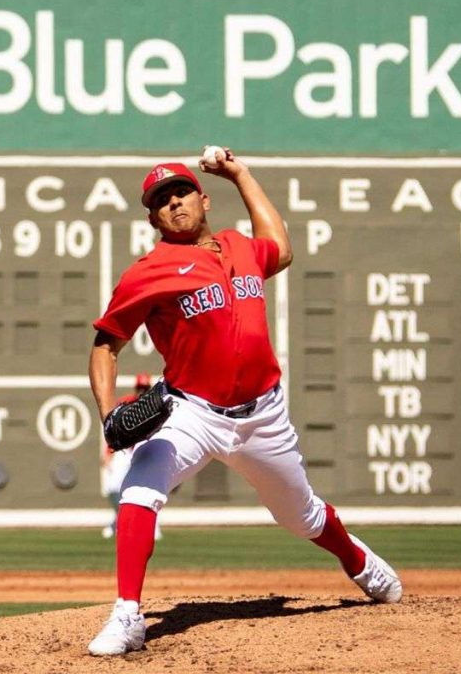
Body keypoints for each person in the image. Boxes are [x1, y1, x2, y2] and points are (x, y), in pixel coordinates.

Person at [85, 150, 403, 656]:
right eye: (160, 201)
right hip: (192, 411)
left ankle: (358, 561)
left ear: (202, 197)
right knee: (138, 486)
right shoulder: (148, 272)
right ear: (152, 218)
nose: (173, 203)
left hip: (263, 416)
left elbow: (281, 246)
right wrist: (106, 416)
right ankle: (128, 615)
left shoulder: (239, 247)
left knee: (301, 516)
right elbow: (106, 345)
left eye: (181, 192)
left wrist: (241, 173)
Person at [101, 373, 162, 541]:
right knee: (112, 488)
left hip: (146, 449)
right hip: (125, 451)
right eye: (140, 388)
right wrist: (108, 452)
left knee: (149, 491)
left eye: (145, 388)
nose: (142, 391)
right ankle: (118, 520)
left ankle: (152, 526)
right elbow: (114, 430)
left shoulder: (156, 406)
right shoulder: (125, 403)